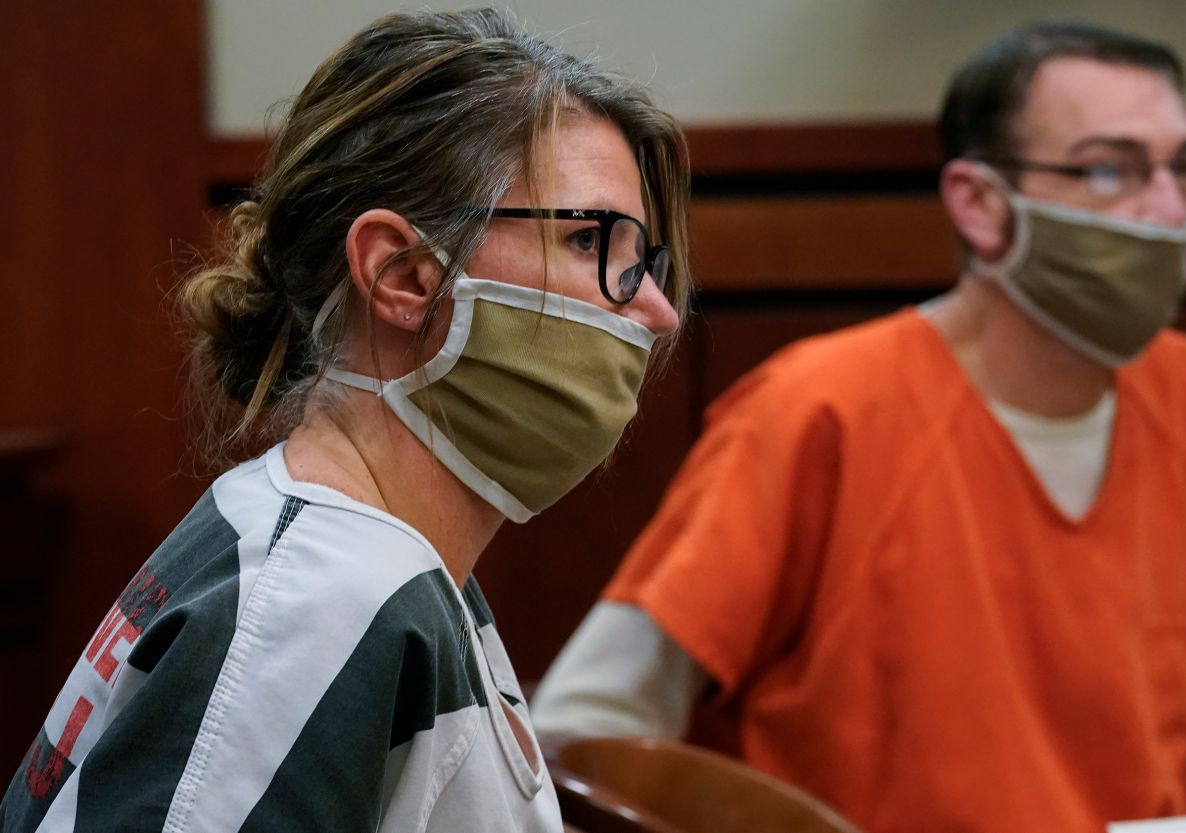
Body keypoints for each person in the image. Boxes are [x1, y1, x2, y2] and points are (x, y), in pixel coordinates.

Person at [532, 20, 1186, 833]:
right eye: (1110, 169)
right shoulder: (819, 409)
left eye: (1183, 168)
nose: (1169, 209)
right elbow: (585, 734)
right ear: (978, 202)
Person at [1, 8, 688, 832]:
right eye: (591, 240)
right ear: (403, 275)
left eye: (643, 260)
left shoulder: (369, 560)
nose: (655, 310)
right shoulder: (321, 601)